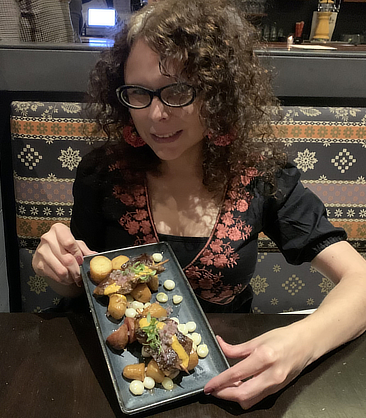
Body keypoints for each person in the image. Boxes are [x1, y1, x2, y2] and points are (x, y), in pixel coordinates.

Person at [32, 0, 366, 410]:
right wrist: (59, 271)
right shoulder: (103, 172)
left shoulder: (261, 174)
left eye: (177, 91)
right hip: (117, 375)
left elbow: (361, 282)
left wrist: (301, 343)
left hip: (228, 376)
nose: (155, 115)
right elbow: (82, 279)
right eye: (139, 92)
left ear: (217, 91)